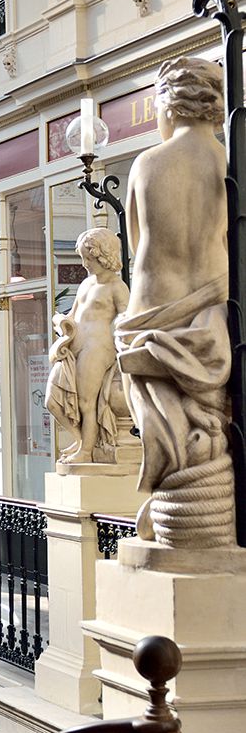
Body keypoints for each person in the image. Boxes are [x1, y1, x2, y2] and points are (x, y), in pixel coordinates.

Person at [116, 57, 233, 547]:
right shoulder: (230, 162)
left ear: (167, 103)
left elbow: (134, 239)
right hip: (211, 305)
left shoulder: (146, 163)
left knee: (164, 430)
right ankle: (197, 523)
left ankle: (173, 518)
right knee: (211, 423)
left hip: (149, 312)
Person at [46, 228, 130, 464]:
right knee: (52, 399)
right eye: (83, 258)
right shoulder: (84, 284)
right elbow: (72, 314)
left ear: (103, 255)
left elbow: (127, 317)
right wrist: (61, 323)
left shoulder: (116, 286)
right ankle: (81, 440)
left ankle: (86, 451)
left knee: (85, 402)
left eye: (88, 258)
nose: (84, 264)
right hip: (75, 345)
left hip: (98, 347)